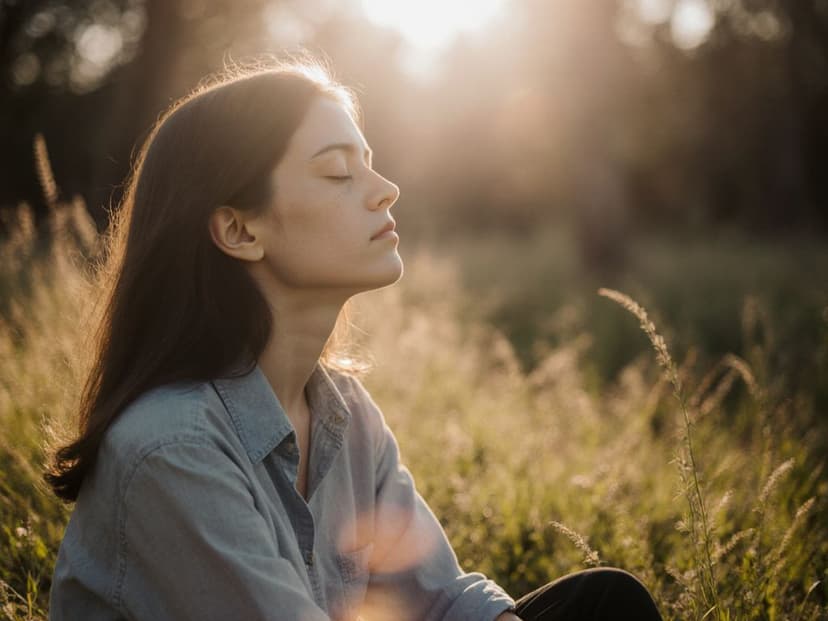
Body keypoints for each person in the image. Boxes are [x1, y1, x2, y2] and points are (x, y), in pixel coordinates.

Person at [44, 58, 663, 621]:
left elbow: (438, 599)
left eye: (367, 161)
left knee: (604, 603)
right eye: (339, 171)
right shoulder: (170, 447)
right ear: (239, 231)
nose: (385, 188)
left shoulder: (346, 415)